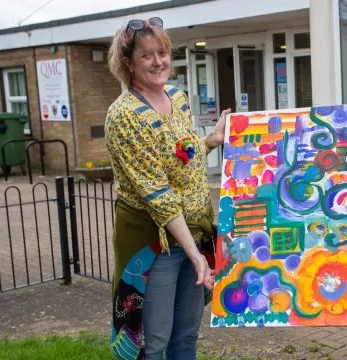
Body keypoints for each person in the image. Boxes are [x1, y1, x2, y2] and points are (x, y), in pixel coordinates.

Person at [105, 16, 230, 360]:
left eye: (162, 52)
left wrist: (210, 141)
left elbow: (181, 157)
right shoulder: (124, 116)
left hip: (194, 236)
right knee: (153, 343)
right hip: (155, 247)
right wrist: (194, 256)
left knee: (186, 337)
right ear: (128, 62)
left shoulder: (178, 97)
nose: (159, 61)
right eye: (147, 55)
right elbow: (157, 194)